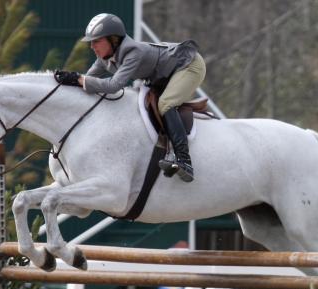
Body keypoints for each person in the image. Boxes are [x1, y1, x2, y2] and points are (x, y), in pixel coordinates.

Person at [54, 13, 206, 182]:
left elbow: (113, 86)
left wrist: (79, 79)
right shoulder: (104, 58)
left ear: (113, 39)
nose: (92, 46)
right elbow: (88, 79)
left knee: (165, 103)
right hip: (165, 73)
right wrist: (73, 79)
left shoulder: (133, 51)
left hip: (189, 65)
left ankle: (185, 160)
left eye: (96, 41)